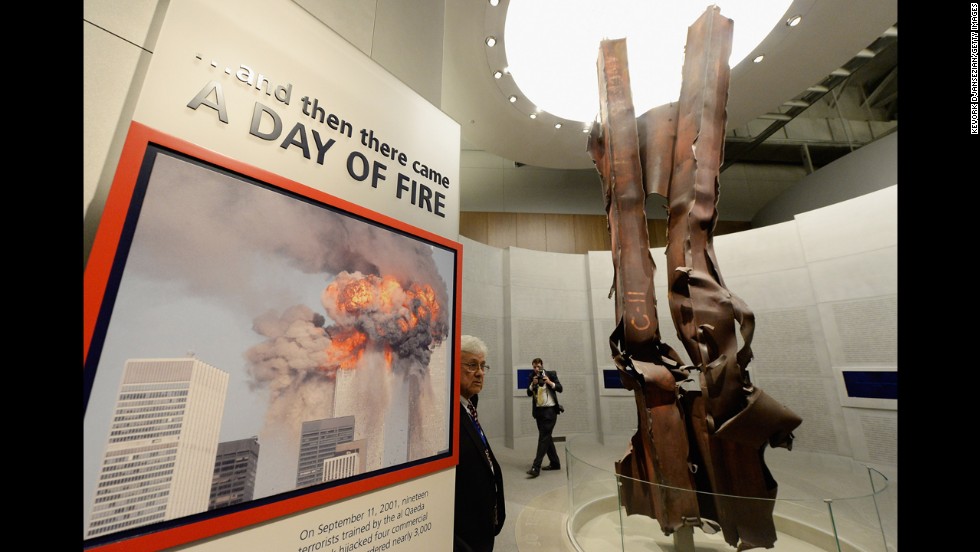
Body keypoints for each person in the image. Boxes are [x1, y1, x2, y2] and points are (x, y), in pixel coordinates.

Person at [454, 335, 505, 552]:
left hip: (482, 527)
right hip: (465, 535)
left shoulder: (469, 407)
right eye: (472, 365)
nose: (480, 373)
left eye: (483, 366)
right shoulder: (448, 416)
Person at [525, 357, 563, 477]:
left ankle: (536, 468)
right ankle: (555, 463)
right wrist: (532, 384)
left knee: (543, 438)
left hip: (550, 411)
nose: (536, 369)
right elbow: (528, 393)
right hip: (539, 412)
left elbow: (560, 388)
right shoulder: (532, 377)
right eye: (534, 367)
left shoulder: (551, 374)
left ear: (542, 366)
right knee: (546, 438)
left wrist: (549, 382)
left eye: (538, 367)